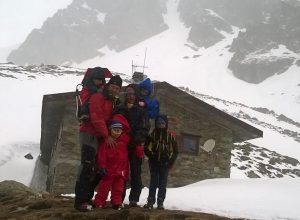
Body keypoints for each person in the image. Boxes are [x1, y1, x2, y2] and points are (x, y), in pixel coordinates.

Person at [74, 72, 123, 212]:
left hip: (98, 136)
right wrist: (107, 136)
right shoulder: (98, 97)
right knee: (87, 166)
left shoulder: (110, 101)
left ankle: (87, 197)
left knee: (97, 169)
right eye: (113, 86)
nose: (114, 90)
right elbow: (96, 117)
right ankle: (80, 201)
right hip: (89, 133)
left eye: (117, 88)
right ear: (108, 85)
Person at [114, 84, 150, 207]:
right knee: (120, 172)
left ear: (136, 95)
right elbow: (115, 125)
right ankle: (119, 197)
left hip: (135, 146)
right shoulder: (119, 109)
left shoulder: (142, 111)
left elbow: (145, 128)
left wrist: (135, 140)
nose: (131, 96)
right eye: (128, 94)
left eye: (133, 94)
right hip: (121, 145)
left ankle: (134, 199)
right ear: (125, 95)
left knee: (136, 172)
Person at [94, 114, 130, 210]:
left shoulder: (124, 143)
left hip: (120, 172)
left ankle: (116, 203)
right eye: (115, 130)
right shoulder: (106, 143)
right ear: (110, 130)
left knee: (118, 189)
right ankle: (99, 202)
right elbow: (102, 156)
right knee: (104, 189)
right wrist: (102, 166)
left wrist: (126, 170)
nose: (117, 133)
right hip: (109, 171)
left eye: (119, 130)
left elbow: (125, 159)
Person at [143, 115, 178, 210]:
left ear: (166, 124)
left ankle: (160, 202)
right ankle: (150, 201)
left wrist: (170, 162)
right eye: (159, 123)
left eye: (163, 123)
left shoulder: (170, 137)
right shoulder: (152, 135)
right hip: (154, 163)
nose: (161, 125)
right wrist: (151, 155)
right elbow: (146, 148)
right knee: (153, 182)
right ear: (156, 124)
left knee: (163, 183)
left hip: (165, 164)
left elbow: (175, 151)